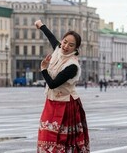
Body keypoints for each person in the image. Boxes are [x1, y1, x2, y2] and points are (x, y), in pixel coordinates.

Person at [35, 20, 90, 153]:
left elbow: (53, 84)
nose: (65, 46)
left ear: (76, 49)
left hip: (66, 104)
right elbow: (51, 38)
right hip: (52, 101)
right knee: (46, 133)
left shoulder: (72, 66)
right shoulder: (58, 50)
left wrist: (43, 69)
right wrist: (41, 26)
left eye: (70, 45)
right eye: (65, 42)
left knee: (64, 138)